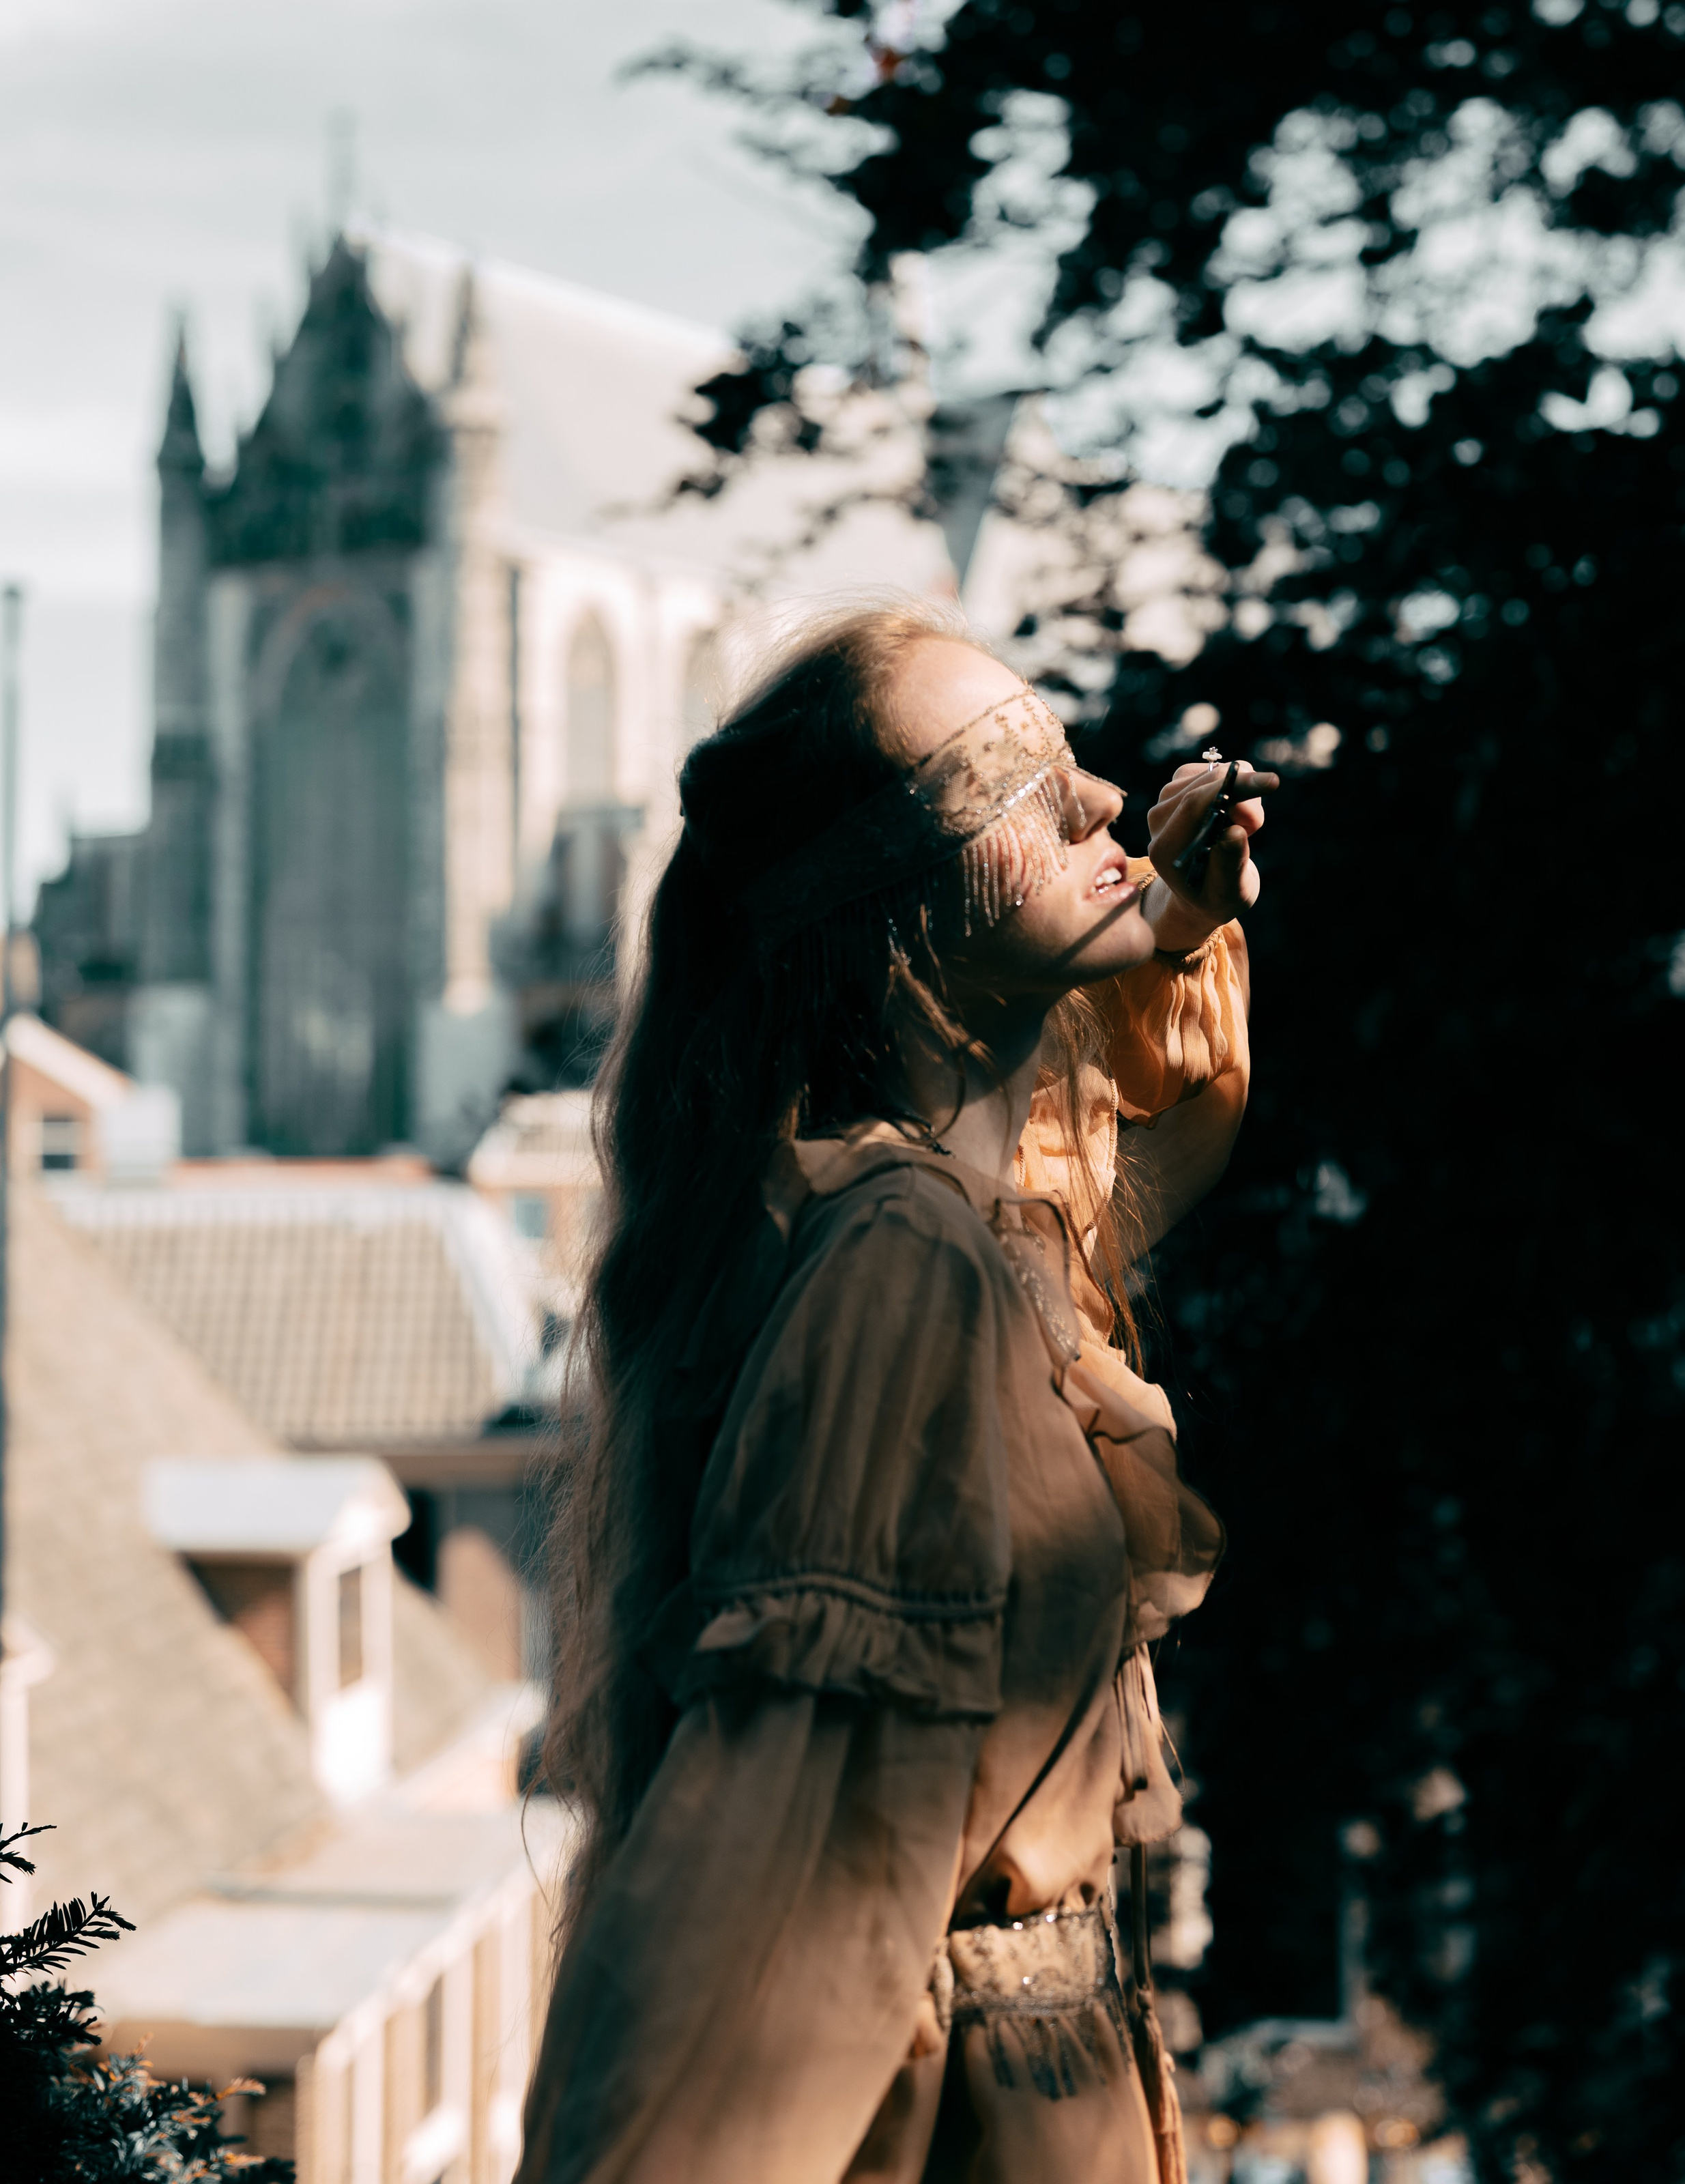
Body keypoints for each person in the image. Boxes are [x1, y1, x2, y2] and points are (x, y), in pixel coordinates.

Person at [521, 601, 1275, 2184]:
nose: (1093, 803)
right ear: (889, 903)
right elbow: (770, 1913)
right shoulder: (900, 1265)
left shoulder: (980, 1234)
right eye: (1010, 778)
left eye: (1070, 758)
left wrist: (1174, 926)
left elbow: (1142, 1149)